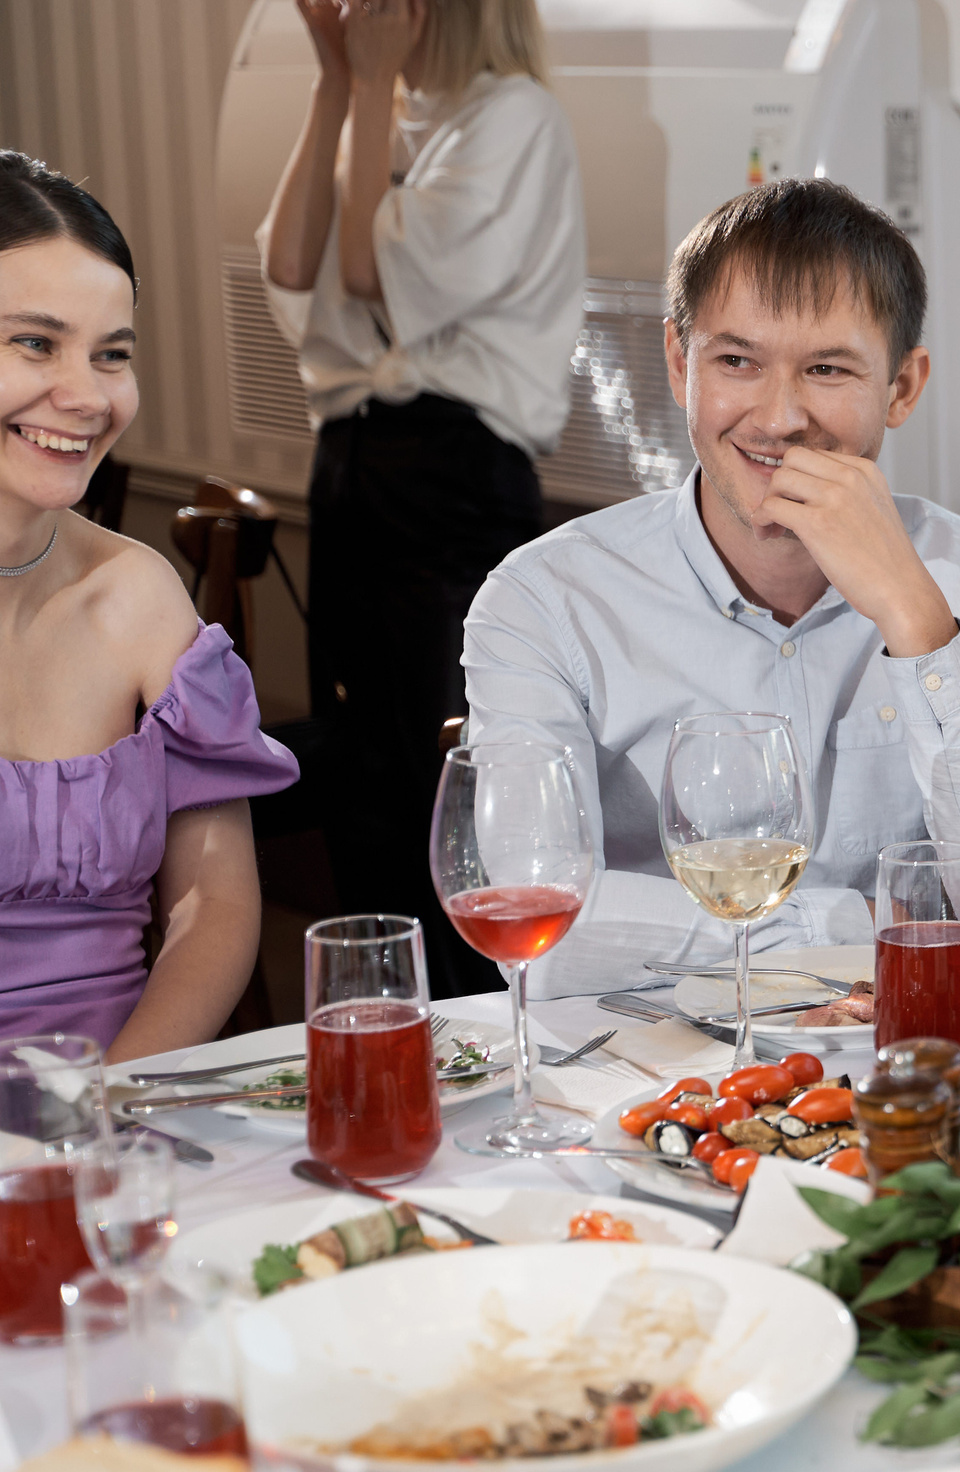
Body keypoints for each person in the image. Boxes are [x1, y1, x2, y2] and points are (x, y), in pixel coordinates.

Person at [462, 178, 960, 996]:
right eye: (738, 361)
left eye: (826, 368)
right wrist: (859, 925)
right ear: (682, 363)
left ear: (902, 388)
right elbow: (540, 928)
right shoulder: (544, 600)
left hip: (906, 1061)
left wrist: (917, 619)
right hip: (650, 1070)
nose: (779, 418)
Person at [258, 0, 583, 994]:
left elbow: (370, 275)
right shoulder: (388, 113)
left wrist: (362, 84)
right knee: (365, 771)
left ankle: (473, 1024)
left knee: (444, 779)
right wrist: (332, 84)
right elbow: (288, 261)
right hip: (354, 463)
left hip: (453, 476)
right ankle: (385, 1021)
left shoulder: (514, 117)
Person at [0, 154, 297, 1058]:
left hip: (123, 1109)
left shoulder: (135, 598)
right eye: (36, 343)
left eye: (112, 354)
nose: (87, 396)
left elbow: (216, 904)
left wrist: (106, 1110)